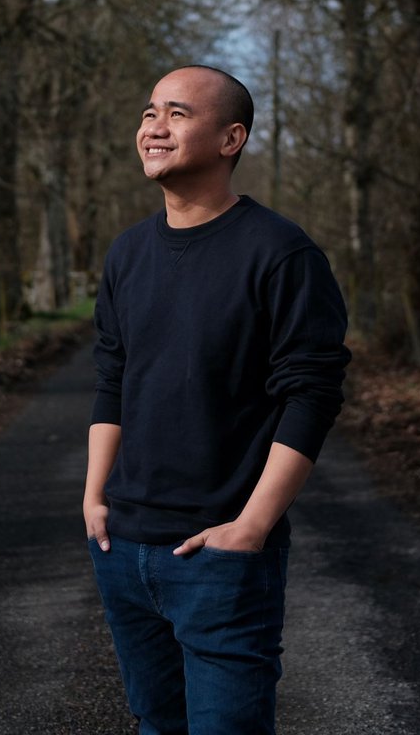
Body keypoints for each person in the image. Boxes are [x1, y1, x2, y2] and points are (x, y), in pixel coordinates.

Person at [84, 64, 350, 735]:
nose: (154, 127)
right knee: (155, 725)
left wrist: (250, 529)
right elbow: (111, 378)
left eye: (176, 113)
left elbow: (311, 395)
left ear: (230, 138)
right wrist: (94, 497)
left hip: (219, 555)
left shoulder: (281, 254)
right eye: (149, 113)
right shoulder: (127, 253)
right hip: (123, 545)